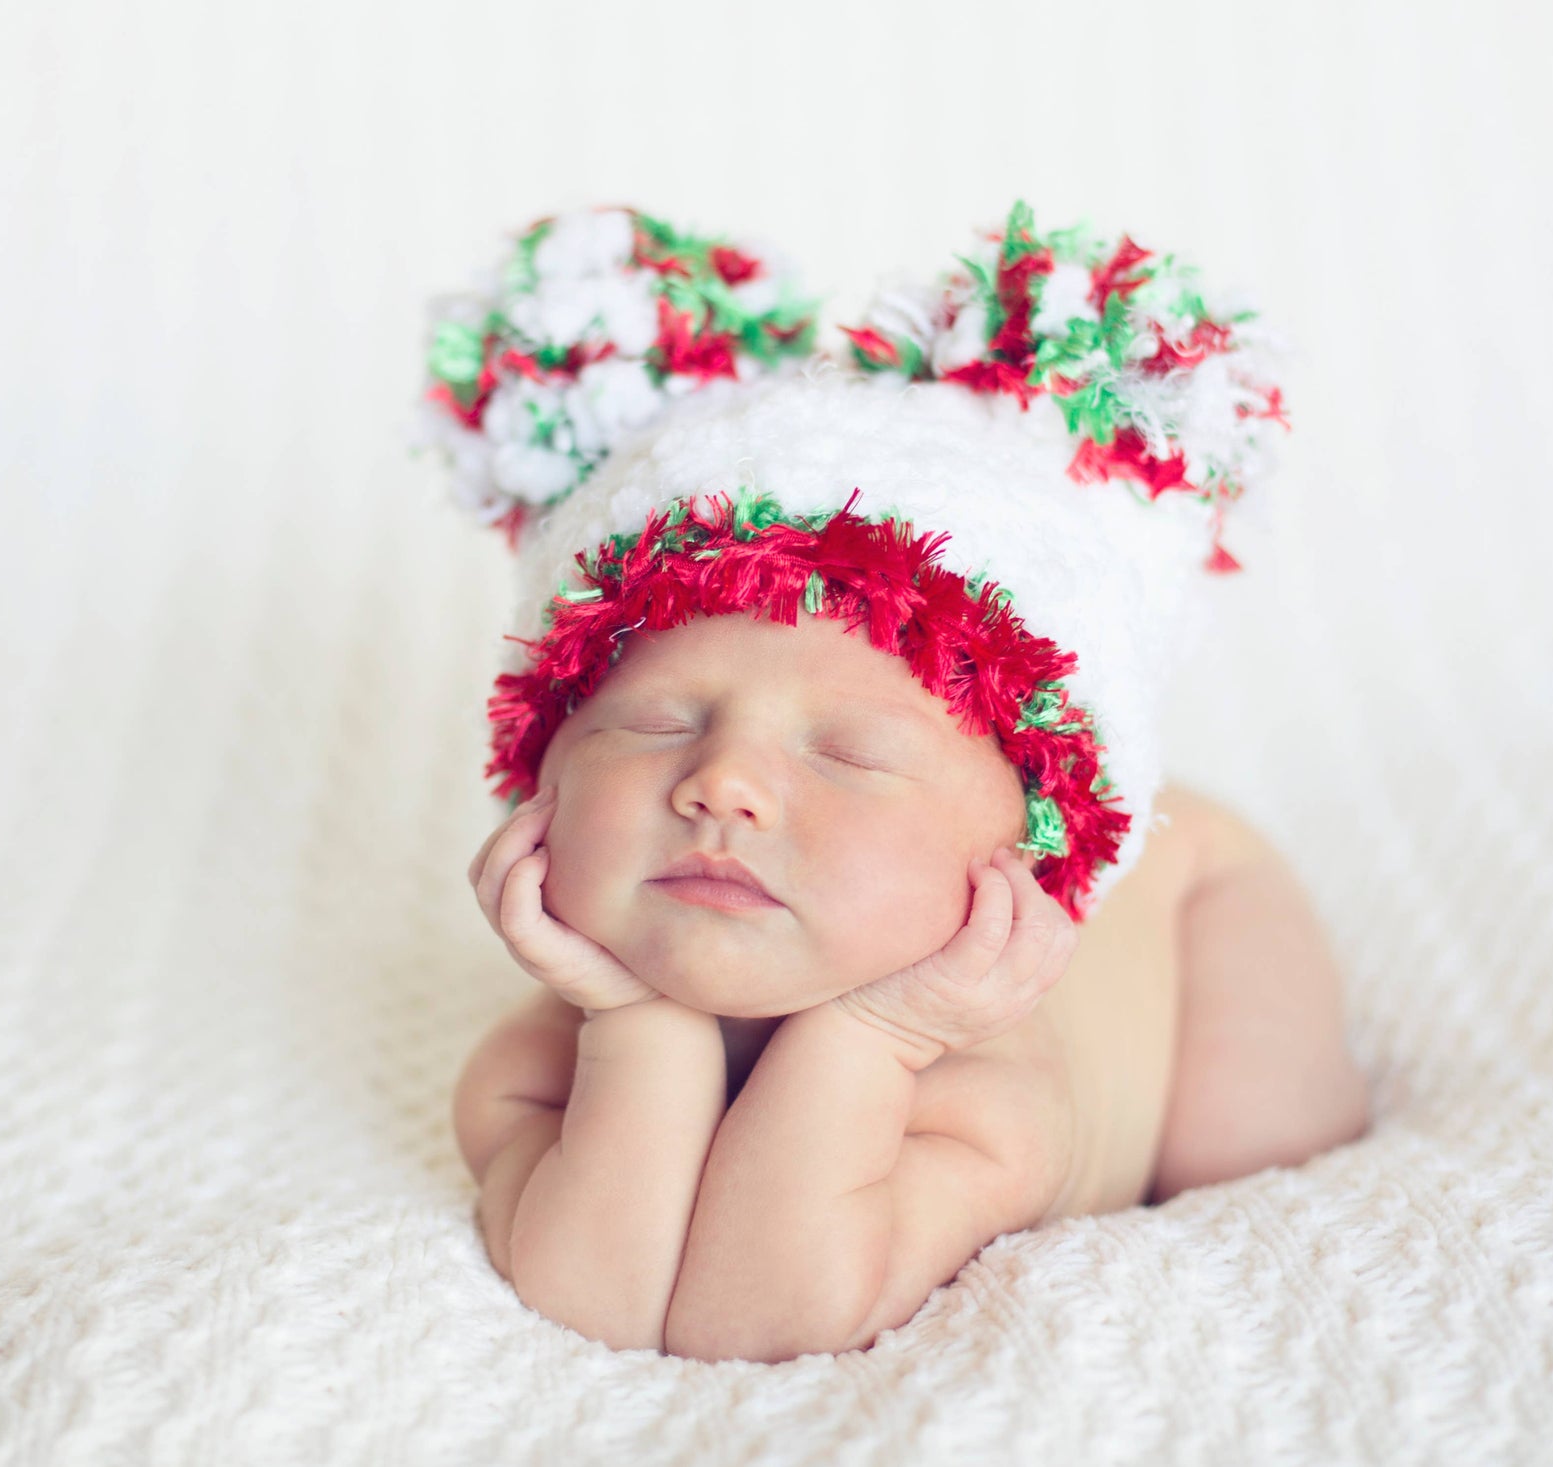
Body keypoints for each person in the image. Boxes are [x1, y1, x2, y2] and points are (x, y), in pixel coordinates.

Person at [419, 201, 1371, 1363]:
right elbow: (599, 1302)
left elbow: (769, 1312)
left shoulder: (995, 1089)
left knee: (1252, 1150)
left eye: (849, 752)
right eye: (653, 724)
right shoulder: (529, 1068)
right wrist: (630, 1019)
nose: (722, 786)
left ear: (1025, 848)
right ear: (540, 774)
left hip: (1197, 896)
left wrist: (878, 1030)